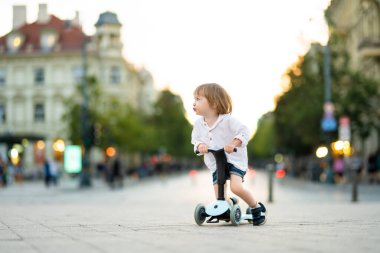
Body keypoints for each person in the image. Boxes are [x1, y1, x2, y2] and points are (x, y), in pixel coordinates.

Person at [191, 83, 267, 226]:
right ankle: (227, 205)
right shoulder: (198, 125)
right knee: (219, 193)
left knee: (236, 188)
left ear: (213, 103)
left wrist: (234, 143)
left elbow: (244, 132)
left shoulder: (228, 121)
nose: (194, 103)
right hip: (215, 162)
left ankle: (256, 207)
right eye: (194, 99)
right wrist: (200, 145)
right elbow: (196, 139)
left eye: (198, 99)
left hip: (234, 160)